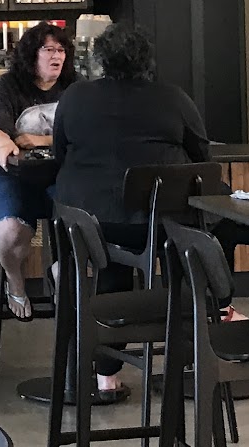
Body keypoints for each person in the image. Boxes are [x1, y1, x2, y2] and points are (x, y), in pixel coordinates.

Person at [52, 23, 209, 396]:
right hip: (158, 222)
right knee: (187, 261)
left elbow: (60, 151)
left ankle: (105, 373)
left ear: (100, 60)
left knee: (112, 267)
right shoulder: (173, 98)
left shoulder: (75, 97)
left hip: (89, 223)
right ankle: (189, 359)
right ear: (147, 60)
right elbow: (202, 156)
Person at [0, 23, 77, 320]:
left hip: (59, 177)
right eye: (49, 49)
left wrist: (41, 140)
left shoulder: (76, 87)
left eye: (61, 50)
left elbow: (85, 132)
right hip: (7, 176)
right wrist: (4, 145)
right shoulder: (9, 84)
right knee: (9, 230)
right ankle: (15, 280)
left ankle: (62, 270)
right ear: (32, 54)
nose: (57, 56)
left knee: (86, 219)